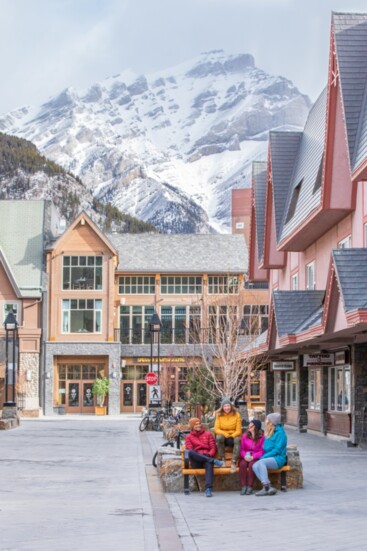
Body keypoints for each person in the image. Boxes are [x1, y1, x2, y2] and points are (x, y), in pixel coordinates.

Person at [185, 417, 224, 497]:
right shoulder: (189, 437)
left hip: (207, 456)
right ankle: (213, 461)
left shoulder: (208, 434)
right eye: (196, 424)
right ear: (192, 426)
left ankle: (208, 489)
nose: (199, 425)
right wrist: (207, 457)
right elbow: (190, 449)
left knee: (208, 463)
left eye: (199, 423)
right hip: (196, 460)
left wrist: (209, 455)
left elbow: (213, 447)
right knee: (191, 452)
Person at [253, 412, 287, 496]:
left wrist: (264, 456)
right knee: (254, 466)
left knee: (261, 462)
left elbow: (277, 450)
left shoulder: (280, 434)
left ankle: (266, 487)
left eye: (267, 419)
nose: (266, 420)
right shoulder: (269, 432)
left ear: (272, 422)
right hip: (269, 457)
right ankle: (268, 487)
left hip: (278, 458)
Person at [214, 397, 242, 473]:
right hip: (224, 436)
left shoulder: (237, 414)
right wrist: (225, 434)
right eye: (225, 406)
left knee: (238, 439)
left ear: (231, 406)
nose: (227, 408)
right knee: (219, 437)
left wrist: (232, 436)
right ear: (222, 407)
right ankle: (222, 458)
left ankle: (234, 461)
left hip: (233, 435)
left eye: (228, 406)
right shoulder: (219, 415)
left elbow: (239, 430)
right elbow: (216, 429)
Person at [238, 418, 264, 495]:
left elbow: (262, 451)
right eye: (249, 425)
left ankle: (250, 486)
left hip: (255, 457)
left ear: (256, 427)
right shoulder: (244, 436)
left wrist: (254, 456)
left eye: (251, 426)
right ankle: (243, 486)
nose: (249, 427)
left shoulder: (262, 437)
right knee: (242, 464)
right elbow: (242, 449)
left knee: (252, 465)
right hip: (246, 456)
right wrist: (244, 455)